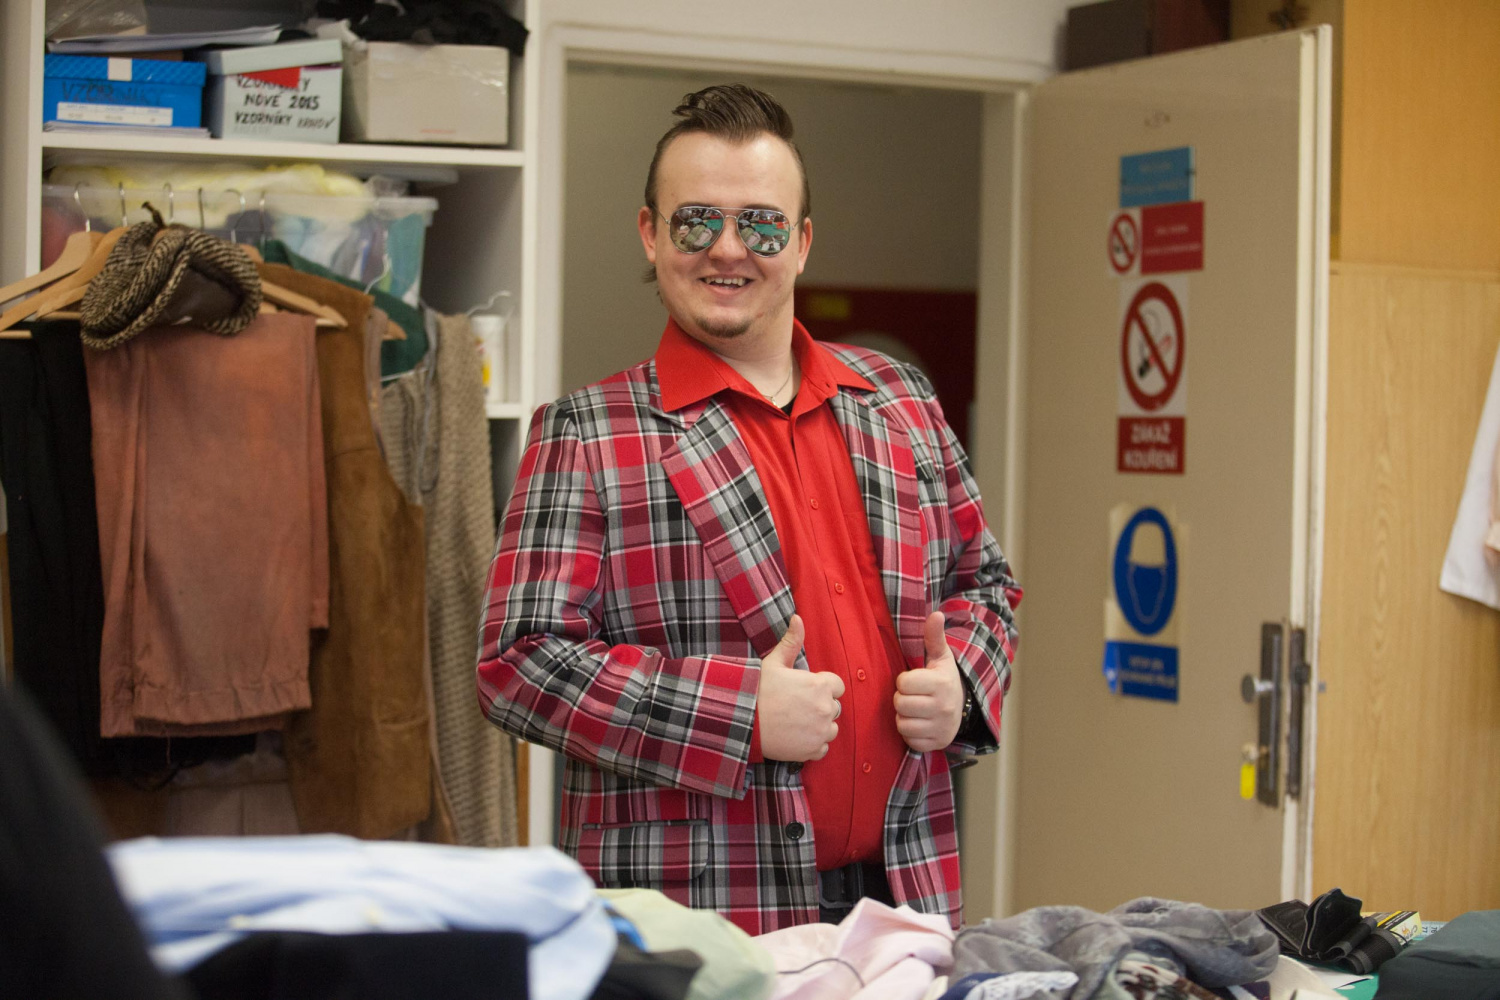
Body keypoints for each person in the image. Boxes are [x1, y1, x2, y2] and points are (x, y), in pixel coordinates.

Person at [477, 83, 1020, 935]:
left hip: (906, 898)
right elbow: (518, 666)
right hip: (702, 920)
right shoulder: (586, 433)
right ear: (651, 233)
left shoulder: (899, 397)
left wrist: (963, 687)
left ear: (801, 243)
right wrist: (739, 714)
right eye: (696, 221)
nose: (728, 249)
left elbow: (986, 584)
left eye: (762, 225)